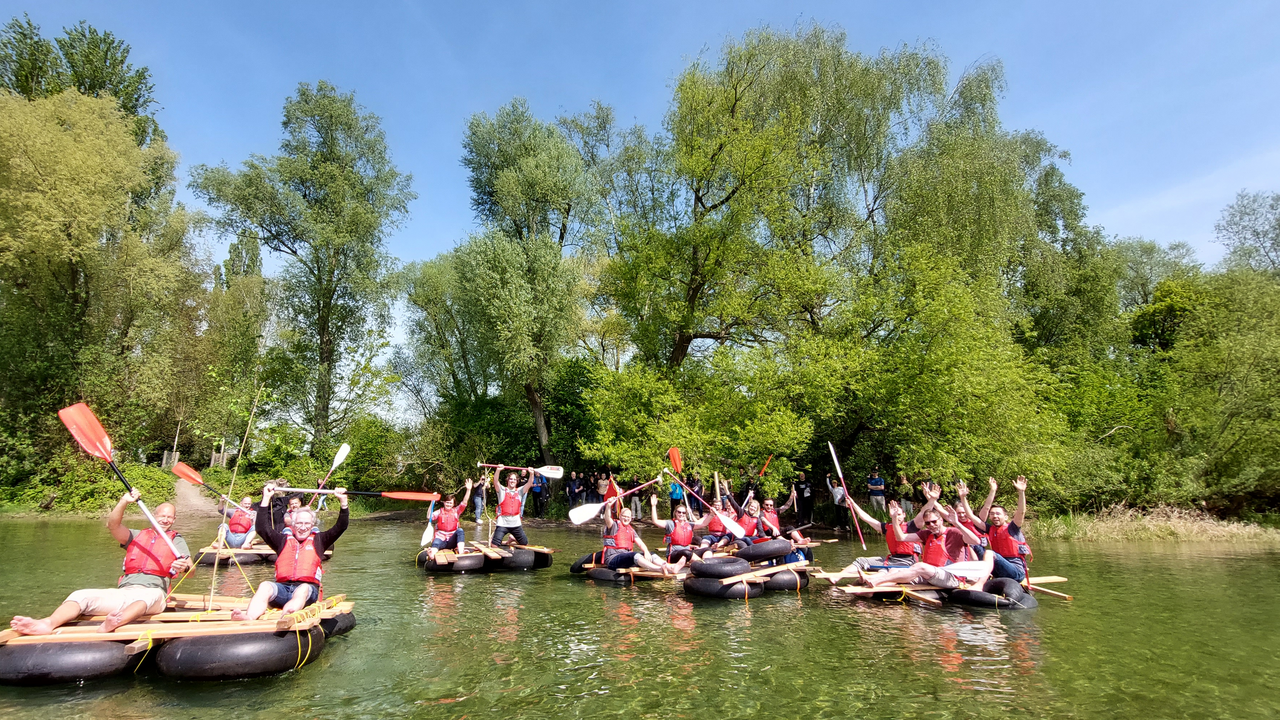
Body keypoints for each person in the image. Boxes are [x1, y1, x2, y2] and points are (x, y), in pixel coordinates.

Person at [10, 488, 192, 635]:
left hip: (154, 594)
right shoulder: (135, 536)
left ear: (174, 520)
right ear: (154, 515)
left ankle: (113, 623)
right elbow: (112, 525)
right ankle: (47, 624)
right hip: (126, 592)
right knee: (81, 595)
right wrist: (124, 502)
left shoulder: (176, 541)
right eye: (162, 516)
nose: (165, 520)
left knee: (144, 598)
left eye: (170, 517)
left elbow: (191, 572)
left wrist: (184, 567)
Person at [233, 484, 348, 621]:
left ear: (312, 526)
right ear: (293, 525)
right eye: (299, 524)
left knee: (302, 589)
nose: (303, 528)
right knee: (265, 586)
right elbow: (262, 528)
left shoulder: (320, 540)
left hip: (307, 591)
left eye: (307, 524)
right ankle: (249, 617)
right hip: (283, 589)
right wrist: (266, 498)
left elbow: (340, 526)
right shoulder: (282, 541)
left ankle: (287, 615)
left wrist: (343, 502)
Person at [856, 505, 987, 590]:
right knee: (894, 571)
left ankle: (876, 579)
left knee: (919, 566)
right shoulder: (926, 534)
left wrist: (957, 523)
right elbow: (901, 537)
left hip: (951, 577)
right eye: (928, 523)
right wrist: (895, 519)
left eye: (934, 521)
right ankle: (869, 588)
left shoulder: (954, 532)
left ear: (941, 520)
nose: (931, 525)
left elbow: (975, 541)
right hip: (930, 574)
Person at [969, 475, 1032, 582]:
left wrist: (1021, 492)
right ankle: (970, 576)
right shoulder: (990, 529)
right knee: (973, 544)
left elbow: (1021, 512)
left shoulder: (1013, 528)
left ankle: (980, 583)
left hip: (1015, 572)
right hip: (999, 569)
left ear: (1005, 517)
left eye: (998, 514)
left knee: (989, 553)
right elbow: (971, 516)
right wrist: (963, 498)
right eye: (992, 514)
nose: (995, 516)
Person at [601, 500, 684, 574]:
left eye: (628, 517)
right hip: (613, 559)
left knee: (651, 554)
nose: (626, 518)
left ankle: (670, 567)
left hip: (626, 558)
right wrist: (608, 506)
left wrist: (646, 551)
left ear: (631, 518)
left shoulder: (631, 530)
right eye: (624, 516)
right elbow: (607, 518)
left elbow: (640, 543)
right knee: (634, 555)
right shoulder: (613, 526)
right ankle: (659, 569)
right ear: (620, 516)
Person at [846, 499, 921, 570]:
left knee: (886, 571)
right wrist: (852, 504)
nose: (897, 517)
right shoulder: (887, 527)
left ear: (904, 515)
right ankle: (837, 577)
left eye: (899, 514)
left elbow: (923, 514)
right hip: (892, 559)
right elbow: (867, 518)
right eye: (894, 515)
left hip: (907, 562)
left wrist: (932, 500)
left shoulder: (911, 526)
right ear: (890, 515)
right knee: (861, 561)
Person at [648, 494, 713, 562]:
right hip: (674, 555)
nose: (681, 514)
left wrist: (711, 514)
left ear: (686, 514)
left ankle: (706, 563)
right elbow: (655, 521)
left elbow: (704, 523)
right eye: (679, 512)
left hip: (688, 553)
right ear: (675, 513)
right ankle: (702, 564)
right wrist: (653, 506)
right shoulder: (670, 524)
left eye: (683, 513)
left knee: (708, 549)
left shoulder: (689, 525)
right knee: (686, 552)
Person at [426, 479, 474, 561]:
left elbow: (464, 502)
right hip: (441, 540)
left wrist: (468, 490)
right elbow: (428, 516)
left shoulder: (456, 511)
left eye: (450, 503)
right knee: (436, 541)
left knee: (460, 531)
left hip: (452, 541)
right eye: (447, 502)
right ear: (444, 503)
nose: (448, 504)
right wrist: (432, 501)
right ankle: (432, 554)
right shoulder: (439, 512)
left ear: (453, 504)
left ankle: (461, 551)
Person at [491, 465, 533, 546]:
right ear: (508, 480)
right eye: (511, 479)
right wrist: (498, 470)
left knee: (525, 544)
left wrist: (531, 473)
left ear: (517, 481)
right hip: (502, 524)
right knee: (494, 545)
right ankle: (499, 540)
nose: (512, 481)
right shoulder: (502, 490)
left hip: (516, 524)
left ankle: (513, 539)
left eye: (514, 479)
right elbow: (495, 481)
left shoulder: (520, 491)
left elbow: (529, 483)